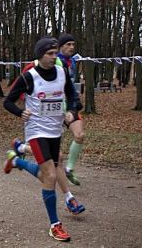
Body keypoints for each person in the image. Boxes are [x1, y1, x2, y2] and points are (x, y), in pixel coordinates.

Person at [2, 37, 79, 242]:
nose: (55, 57)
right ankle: (55, 225)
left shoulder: (62, 73)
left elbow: (73, 96)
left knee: (48, 175)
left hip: (55, 132)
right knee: (51, 176)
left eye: (56, 53)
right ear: (40, 55)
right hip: (36, 132)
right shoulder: (29, 77)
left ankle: (17, 160)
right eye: (51, 54)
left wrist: (71, 110)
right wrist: (21, 113)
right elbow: (7, 102)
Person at [55, 34, 85, 185]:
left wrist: (75, 100)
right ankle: (22, 148)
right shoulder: (55, 61)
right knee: (53, 153)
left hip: (70, 107)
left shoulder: (71, 61)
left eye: (73, 44)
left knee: (79, 135)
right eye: (68, 44)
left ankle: (70, 169)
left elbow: (70, 85)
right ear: (60, 46)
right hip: (55, 109)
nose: (72, 47)